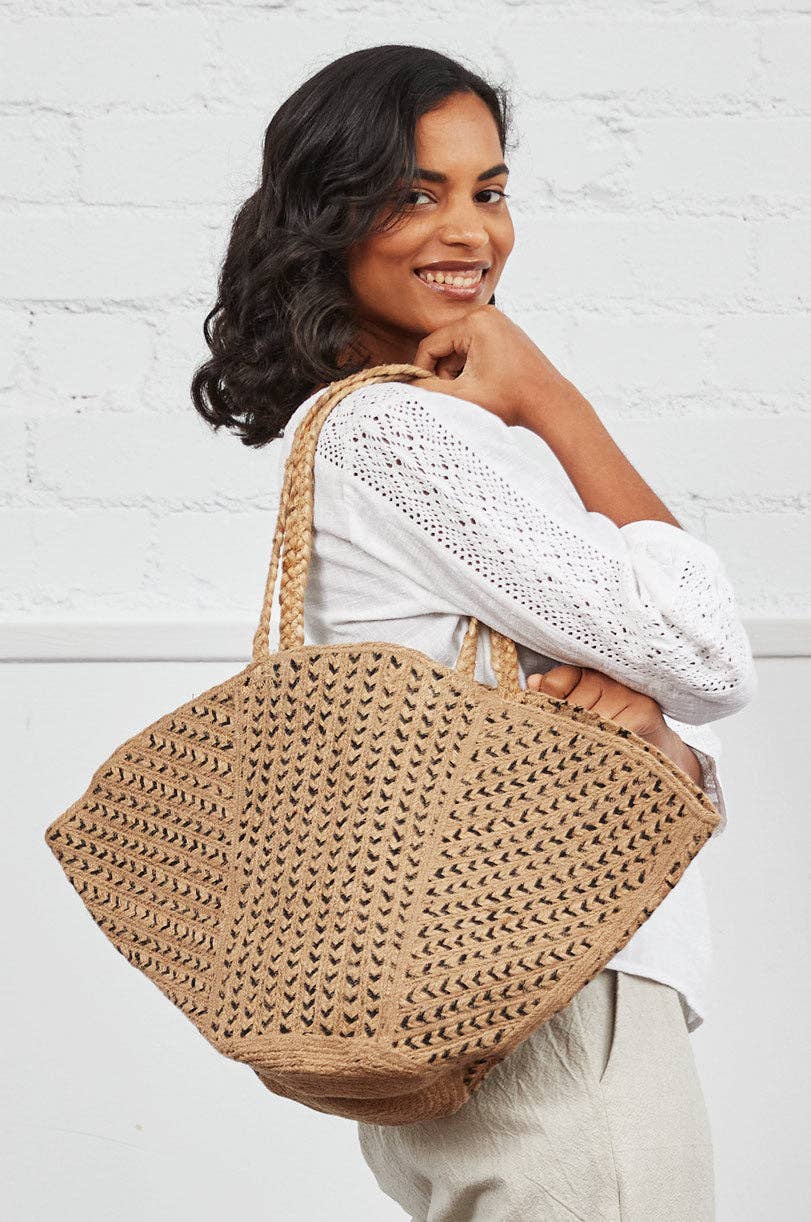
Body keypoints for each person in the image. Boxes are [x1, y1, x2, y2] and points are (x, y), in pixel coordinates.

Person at [191, 44, 757, 1222]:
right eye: (415, 193)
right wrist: (551, 398)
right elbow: (706, 650)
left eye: (488, 190)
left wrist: (653, 728)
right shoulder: (402, 436)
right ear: (329, 216)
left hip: (486, 1001)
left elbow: (655, 685)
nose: (470, 231)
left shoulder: (373, 431)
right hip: (553, 1004)